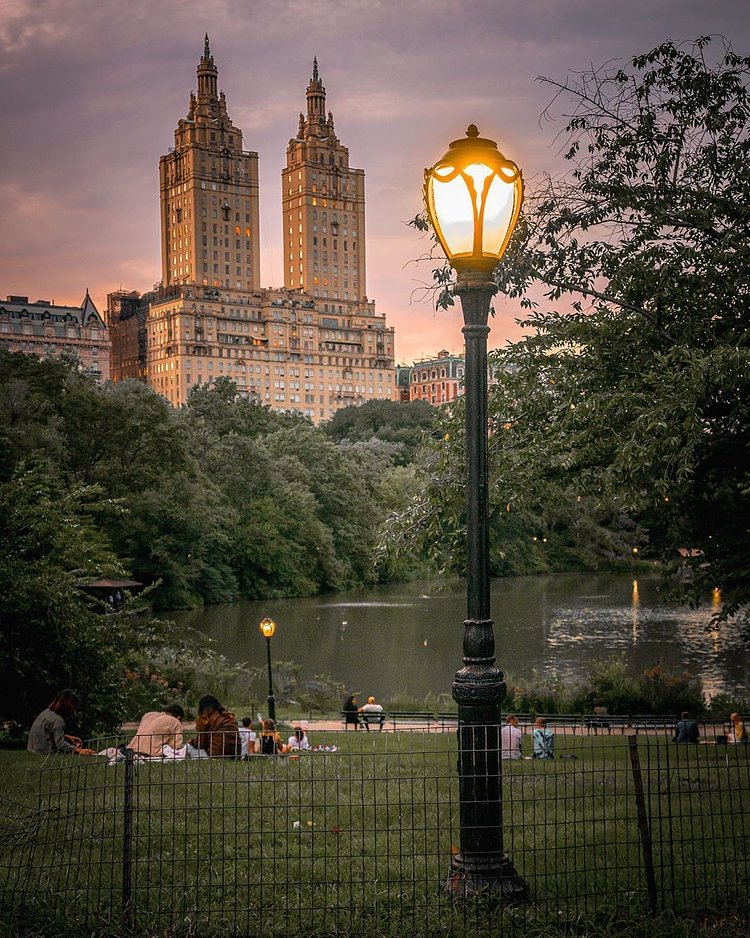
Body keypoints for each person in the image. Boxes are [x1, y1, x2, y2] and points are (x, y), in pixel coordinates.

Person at [27, 690, 95, 755]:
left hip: (32, 749)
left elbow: (47, 732)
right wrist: (79, 750)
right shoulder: (58, 721)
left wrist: (67, 737)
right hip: (44, 752)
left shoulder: (46, 713)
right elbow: (61, 744)